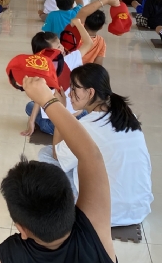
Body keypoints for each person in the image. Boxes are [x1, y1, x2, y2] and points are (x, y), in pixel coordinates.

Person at [0, 76, 147, 263]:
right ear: (72, 203)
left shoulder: (13, 253)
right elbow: (91, 155)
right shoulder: (94, 228)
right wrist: (47, 99)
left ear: (21, 229)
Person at [38, 64, 153, 227]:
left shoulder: (87, 126)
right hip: (138, 210)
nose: (70, 94)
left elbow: (57, 154)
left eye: (74, 89)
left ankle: (64, 203)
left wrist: (60, 110)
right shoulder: (128, 115)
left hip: (103, 214)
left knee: (46, 153)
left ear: (90, 92)